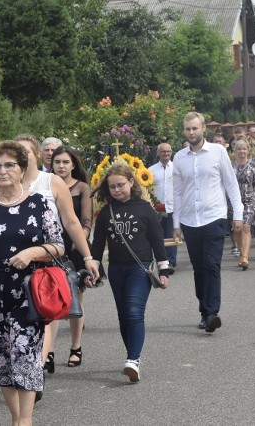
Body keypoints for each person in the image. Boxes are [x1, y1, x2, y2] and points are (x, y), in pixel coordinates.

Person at [0, 140, 65, 426]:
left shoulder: (38, 203)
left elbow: (57, 245)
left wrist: (32, 253)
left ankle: (26, 420)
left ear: (22, 170)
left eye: (10, 165)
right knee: (0, 358)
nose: (3, 170)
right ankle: (17, 418)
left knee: (25, 352)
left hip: (28, 291)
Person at [14, 134, 98, 396]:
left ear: (37, 154)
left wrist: (87, 257)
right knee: (17, 321)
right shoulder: (5, 181)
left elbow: (72, 223)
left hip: (48, 260)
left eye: (26, 152)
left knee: (47, 316)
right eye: (17, 152)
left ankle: (36, 369)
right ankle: (25, 368)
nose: (21, 157)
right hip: (14, 263)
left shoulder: (50, 182)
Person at [91, 164, 169, 382]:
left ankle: (133, 359)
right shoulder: (106, 212)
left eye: (121, 185)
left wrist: (164, 270)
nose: (116, 190)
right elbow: (97, 245)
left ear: (131, 183)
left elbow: (157, 240)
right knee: (124, 315)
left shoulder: (145, 209)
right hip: (116, 269)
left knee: (134, 312)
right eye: (112, 187)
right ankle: (131, 356)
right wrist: (93, 267)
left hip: (140, 267)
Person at [172, 112, 243, 332]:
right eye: (187, 129)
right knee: (199, 267)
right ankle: (204, 310)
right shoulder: (179, 157)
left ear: (203, 128)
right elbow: (176, 192)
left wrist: (238, 213)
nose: (191, 133)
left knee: (212, 265)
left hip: (214, 217)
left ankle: (212, 313)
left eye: (195, 128)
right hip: (190, 221)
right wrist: (176, 224)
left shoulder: (218, 152)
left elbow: (231, 184)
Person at [50, 146, 94, 368]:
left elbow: (86, 222)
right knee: (52, 299)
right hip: (50, 246)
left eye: (65, 162)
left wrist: (80, 243)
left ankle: (76, 346)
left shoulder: (82, 188)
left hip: (75, 247)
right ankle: (48, 351)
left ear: (73, 164)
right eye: (57, 162)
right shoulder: (46, 185)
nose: (61, 166)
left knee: (75, 299)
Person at [230, 140, 255, 270]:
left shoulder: (253, 167)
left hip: (249, 201)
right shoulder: (230, 168)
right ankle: (241, 254)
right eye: (239, 149)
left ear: (248, 151)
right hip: (234, 202)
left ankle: (245, 257)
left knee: (246, 227)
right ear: (235, 151)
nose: (242, 151)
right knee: (237, 229)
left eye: (244, 149)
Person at [148, 143, 177, 272]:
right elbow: (148, 188)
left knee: (172, 234)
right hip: (157, 208)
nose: (166, 154)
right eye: (163, 151)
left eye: (168, 152)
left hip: (173, 207)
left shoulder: (176, 168)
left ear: (171, 153)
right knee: (158, 235)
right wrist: (154, 201)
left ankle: (171, 261)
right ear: (158, 153)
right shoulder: (151, 170)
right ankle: (162, 261)